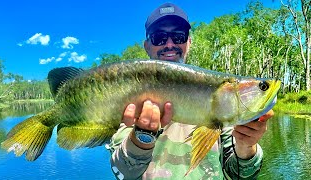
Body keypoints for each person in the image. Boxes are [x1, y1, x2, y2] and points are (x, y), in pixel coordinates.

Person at [107, 3, 273, 179]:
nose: (170, 44)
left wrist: (246, 147)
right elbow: (123, 172)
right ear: (147, 46)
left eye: (178, 36)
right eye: (159, 37)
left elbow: (240, 175)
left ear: (189, 42)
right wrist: (141, 137)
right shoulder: (127, 97)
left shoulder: (222, 104)